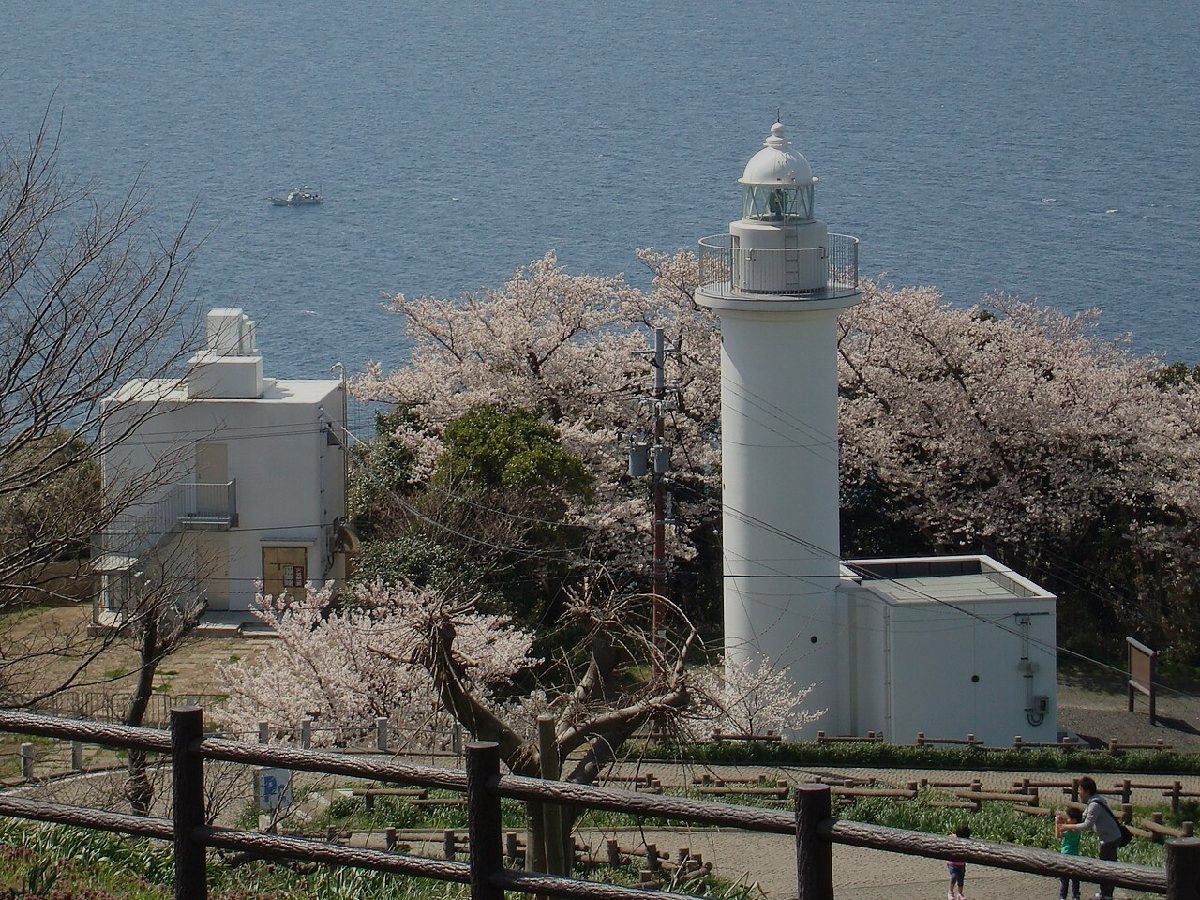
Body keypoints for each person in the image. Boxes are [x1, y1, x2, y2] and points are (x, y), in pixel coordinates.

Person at [1059, 776, 1123, 900]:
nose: (1079, 792)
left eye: (1080, 789)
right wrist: (1067, 818)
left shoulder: (1094, 804)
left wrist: (1067, 826)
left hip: (1110, 839)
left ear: (1087, 791)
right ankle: (1105, 893)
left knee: (1107, 868)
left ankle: (1107, 896)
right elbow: (1083, 818)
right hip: (1110, 837)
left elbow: (1087, 825)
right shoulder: (1094, 801)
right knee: (1106, 865)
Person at [1056, 806, 1085, 900]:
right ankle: (1075, 895)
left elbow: (1058, 835)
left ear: (1074, 820)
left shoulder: (1071, 829)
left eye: (1068, 818)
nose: (1067, 819)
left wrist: (1058, 823)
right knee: (1074, 878)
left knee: (1065, 878)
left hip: (1066, 855)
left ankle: (1063, 896)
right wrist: (1060, 822)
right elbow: (1059, 835)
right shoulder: (1076, 828)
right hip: (1073, 855)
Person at [946, 823, 971, 900]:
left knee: (961, 879)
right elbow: (948, 838)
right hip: (952, 863)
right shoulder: (953, 838)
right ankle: (950, 891)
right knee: (954, 876)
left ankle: (960, 893)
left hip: (961, 863)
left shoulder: (967, 840)